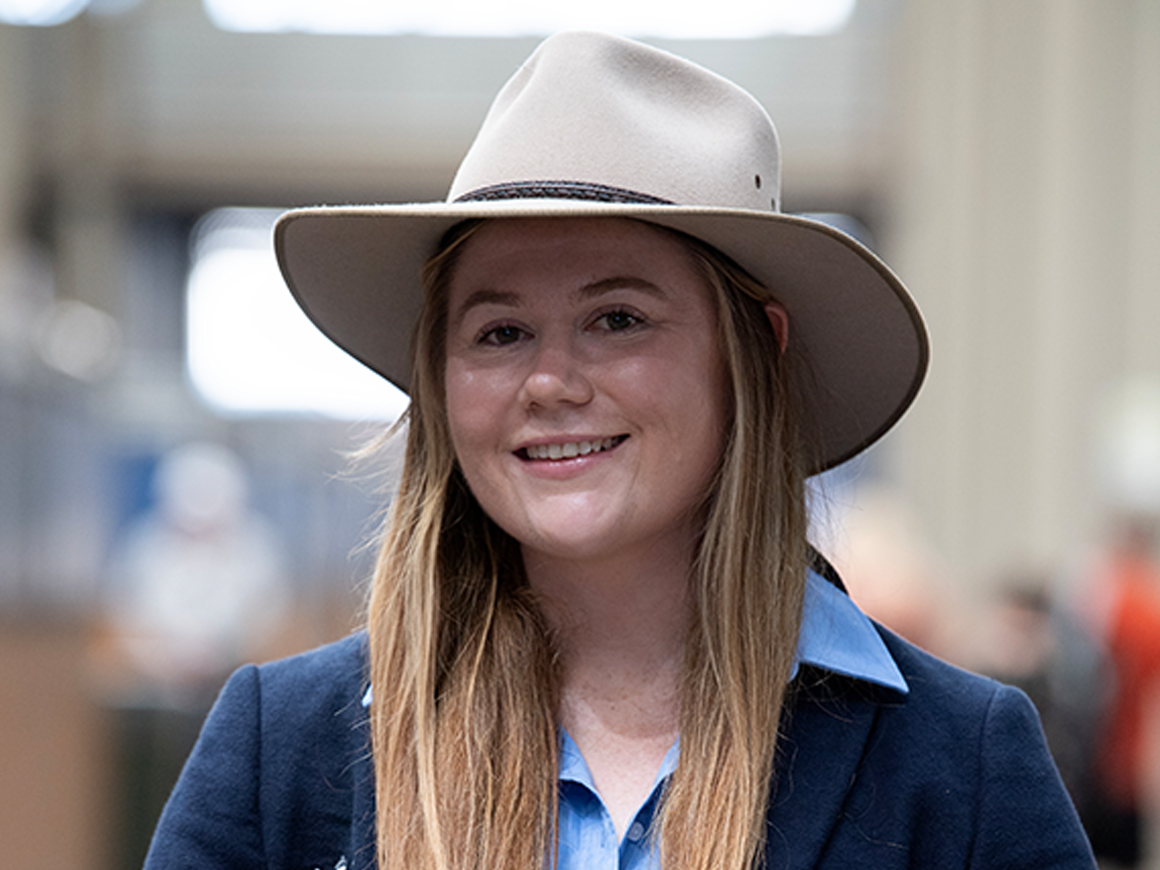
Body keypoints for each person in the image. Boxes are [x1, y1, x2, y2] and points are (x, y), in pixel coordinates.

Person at [143, 31, 1095, 870]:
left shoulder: (958, 760)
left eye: (617, 318)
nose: (550, 382)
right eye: (499, 332)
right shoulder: (283, 747)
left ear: (752, 352)